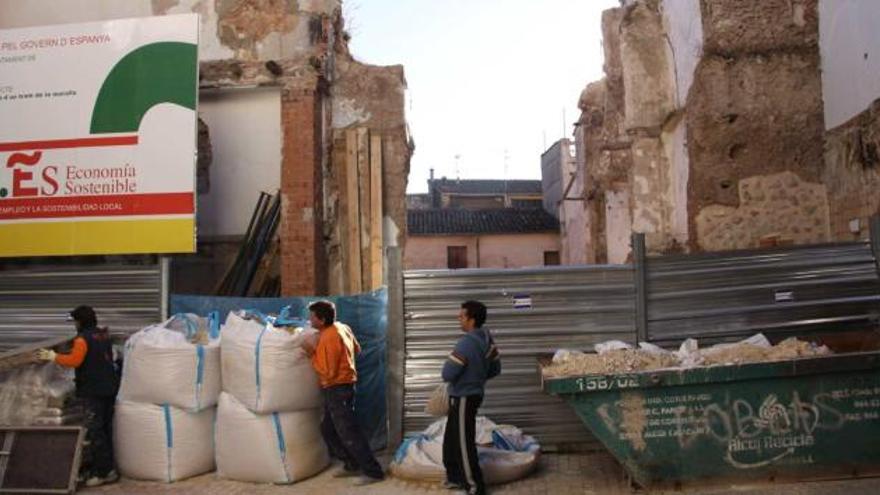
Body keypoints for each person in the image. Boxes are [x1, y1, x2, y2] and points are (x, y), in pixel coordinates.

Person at [36, 305, 119, 487]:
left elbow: (75, 360)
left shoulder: (82, 339)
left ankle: (102, 472)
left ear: (80, 321)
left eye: (75, 321)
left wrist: (53, 356)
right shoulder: (103, 335)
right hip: (109, 388)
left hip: (93, 390)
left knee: (96, 431)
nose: (74, 324)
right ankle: (110, 470)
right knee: (106, 429)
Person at [305, 300, 385, 485]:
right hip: (344, 386)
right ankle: (351, 464)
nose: (310, 319)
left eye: (312, 317)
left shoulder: (328, 337)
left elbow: (328, 372)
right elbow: (357, 348)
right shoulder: (342, 328)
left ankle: (373, 472)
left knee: (349, 432)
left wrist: (312, 354)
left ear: (322, 319)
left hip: (337, 388)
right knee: (328, 430)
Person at [441, 300, 501, 495]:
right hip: (472, 394)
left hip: (463, 397)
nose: (459, 318)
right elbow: (495, 369)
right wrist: (477, 377)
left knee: (463, 443)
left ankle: (475, 487)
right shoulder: (487, 340)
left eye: (462, 316)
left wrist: (468, 379)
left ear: (471, 319)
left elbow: (448, 373)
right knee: (452, 438)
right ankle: (454, 477)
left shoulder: (466, 342)